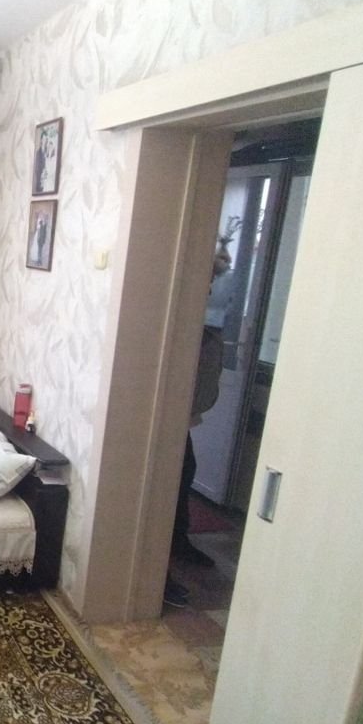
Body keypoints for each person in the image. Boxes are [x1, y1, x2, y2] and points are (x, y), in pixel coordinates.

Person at [165, 245, 232, 608]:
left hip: (182, 413)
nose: (208, 289)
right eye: (207, 280)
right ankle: (157, 568)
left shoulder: (204, 316)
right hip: (158, 415)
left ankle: (178, 543)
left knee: (184, 473)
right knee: (165, 486)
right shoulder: (174, 307)